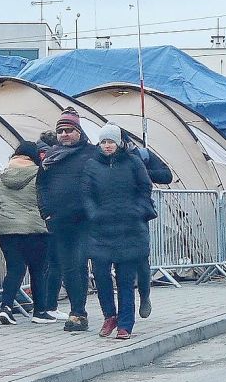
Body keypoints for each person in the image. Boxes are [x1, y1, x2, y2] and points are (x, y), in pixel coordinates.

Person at [83, 125, 154, 339]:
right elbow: (86, 194)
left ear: (119, 142)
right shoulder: (92, 165)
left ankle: (125, 324)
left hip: (128, 229)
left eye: (111, 141)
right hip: (101, 230)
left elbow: (145, 188)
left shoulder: (133, 162)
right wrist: (93, 213)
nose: (107, 145)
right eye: (104, 142)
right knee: (101, 276)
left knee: (125, 279)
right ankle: (109, 316)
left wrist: (138, 210)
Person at [37, 108, 99, 333]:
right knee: (69, 267)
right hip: (60, 221)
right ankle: (77, 312)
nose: (64, 134)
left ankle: (83, 311)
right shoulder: (51, 157)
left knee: (81, 264)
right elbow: (41, 186)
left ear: (79, 132)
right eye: (61, 131)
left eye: (69, 130)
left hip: (85, 220)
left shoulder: (92, 153)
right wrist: (46, 212)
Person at [0, 141, 54, 325]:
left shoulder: (4, 176)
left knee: (15, 269)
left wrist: (9, 216)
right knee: (38, 270)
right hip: (34, 230)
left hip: (7, 230)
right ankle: (40, 312)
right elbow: (44, 199)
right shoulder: (39, 174)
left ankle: (6, 308)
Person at [124, 133, 172, 320]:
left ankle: (144, 296)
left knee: (141, 257)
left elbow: (167, 176)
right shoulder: (102, 158)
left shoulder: (142, 155)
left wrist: (143, 173)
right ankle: (122, 311)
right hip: (111, 216)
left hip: (138, 215)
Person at [35, 130, 66, 321]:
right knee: (55, 264)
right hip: (50, 221)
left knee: (41, 266)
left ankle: (41, 307)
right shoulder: (51, 161)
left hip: (36, 223)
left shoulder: (33, 156)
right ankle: (50, 306)